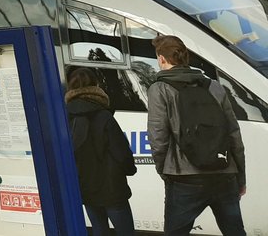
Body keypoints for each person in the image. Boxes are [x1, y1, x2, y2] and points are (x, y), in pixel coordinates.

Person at [147, 34, 246, 236]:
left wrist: (164, 171)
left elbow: (158, 137)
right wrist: (240, 178)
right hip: (225, 175)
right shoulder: (214, 86)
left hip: (184, 178)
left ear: (161, 59)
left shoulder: (159, 89)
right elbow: (234, 134)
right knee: (235, 232)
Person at [65, 67, 136, 235]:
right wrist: (130, 169)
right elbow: (122, 152)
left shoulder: (65, 117)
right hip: (112, 189)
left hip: (86, 187)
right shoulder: (104, 116)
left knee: (99, 230)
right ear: (96, 86)